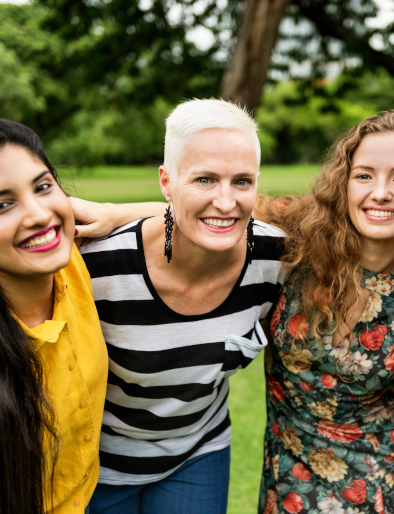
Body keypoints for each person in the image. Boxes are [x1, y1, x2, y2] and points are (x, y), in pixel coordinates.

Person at [78, 99, 287, 514]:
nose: (226, 201)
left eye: (242, 182)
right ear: (166, 182)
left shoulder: (275, 259)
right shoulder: (98, 267)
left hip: (199, 454)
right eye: (205, 179)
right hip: (99, 467)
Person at [255, 110, 394, 514]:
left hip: (383, 474)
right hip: (288, 472)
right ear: (343, 184)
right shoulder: (299, 235)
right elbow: (211, 215)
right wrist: (111, 213)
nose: (380, 192)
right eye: (364, 175)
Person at [0, 118, 109, 513]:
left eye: (43, 186)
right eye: (1, 205)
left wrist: (114, 214)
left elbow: (184, 218)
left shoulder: (68, 260)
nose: (38, 214)